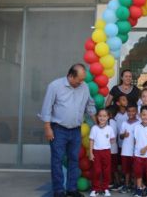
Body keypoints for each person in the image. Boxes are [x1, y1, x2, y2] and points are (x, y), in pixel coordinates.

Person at [40, 63, 96, 197]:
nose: (81, 82)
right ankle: (59, 191)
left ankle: (72, 189)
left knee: (74, 160)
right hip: (58, 130)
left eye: (83, 79)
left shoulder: (84, 87)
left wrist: (97, 123)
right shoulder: (55, 86)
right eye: (79, 79)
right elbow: (46, 108)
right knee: (57, 160)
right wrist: (47, 128)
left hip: (76, 130)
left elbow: (90, 105)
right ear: (70, 76)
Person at [89, 109, 116, 197]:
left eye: (104, 116)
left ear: (108, 117)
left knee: (106, 170)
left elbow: (112, 140)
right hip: (96, 152)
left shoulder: (110, 128)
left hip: (106, 152)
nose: (102, 118)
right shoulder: (94, 128)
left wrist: (108, 140)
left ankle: (105, 188)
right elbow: (91, 141)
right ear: (97, 117)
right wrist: (91, 153)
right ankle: (95, 189)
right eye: (100, 116)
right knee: (96, 170)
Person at [119, 103, 140, 194]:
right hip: (125, 150)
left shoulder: (139, 123)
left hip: (135, 151)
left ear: (136, 112)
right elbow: (120, 136)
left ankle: (135, 185)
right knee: (126, 170)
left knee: (135, 170)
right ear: (126, 112)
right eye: (129, 111)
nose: (131, 113)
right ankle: (126, 185)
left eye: (133, 111)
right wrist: (124, 135)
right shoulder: (124, 123)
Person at [105, 105, 121, 191]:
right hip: (111, 149)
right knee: (111, 167)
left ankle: (117, 183)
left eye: (105, 115)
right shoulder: (112, 121)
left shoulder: (111, 122)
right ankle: (112, 182)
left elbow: (112, 136)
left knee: (114, 167)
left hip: (112, 149)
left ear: (110, 115)